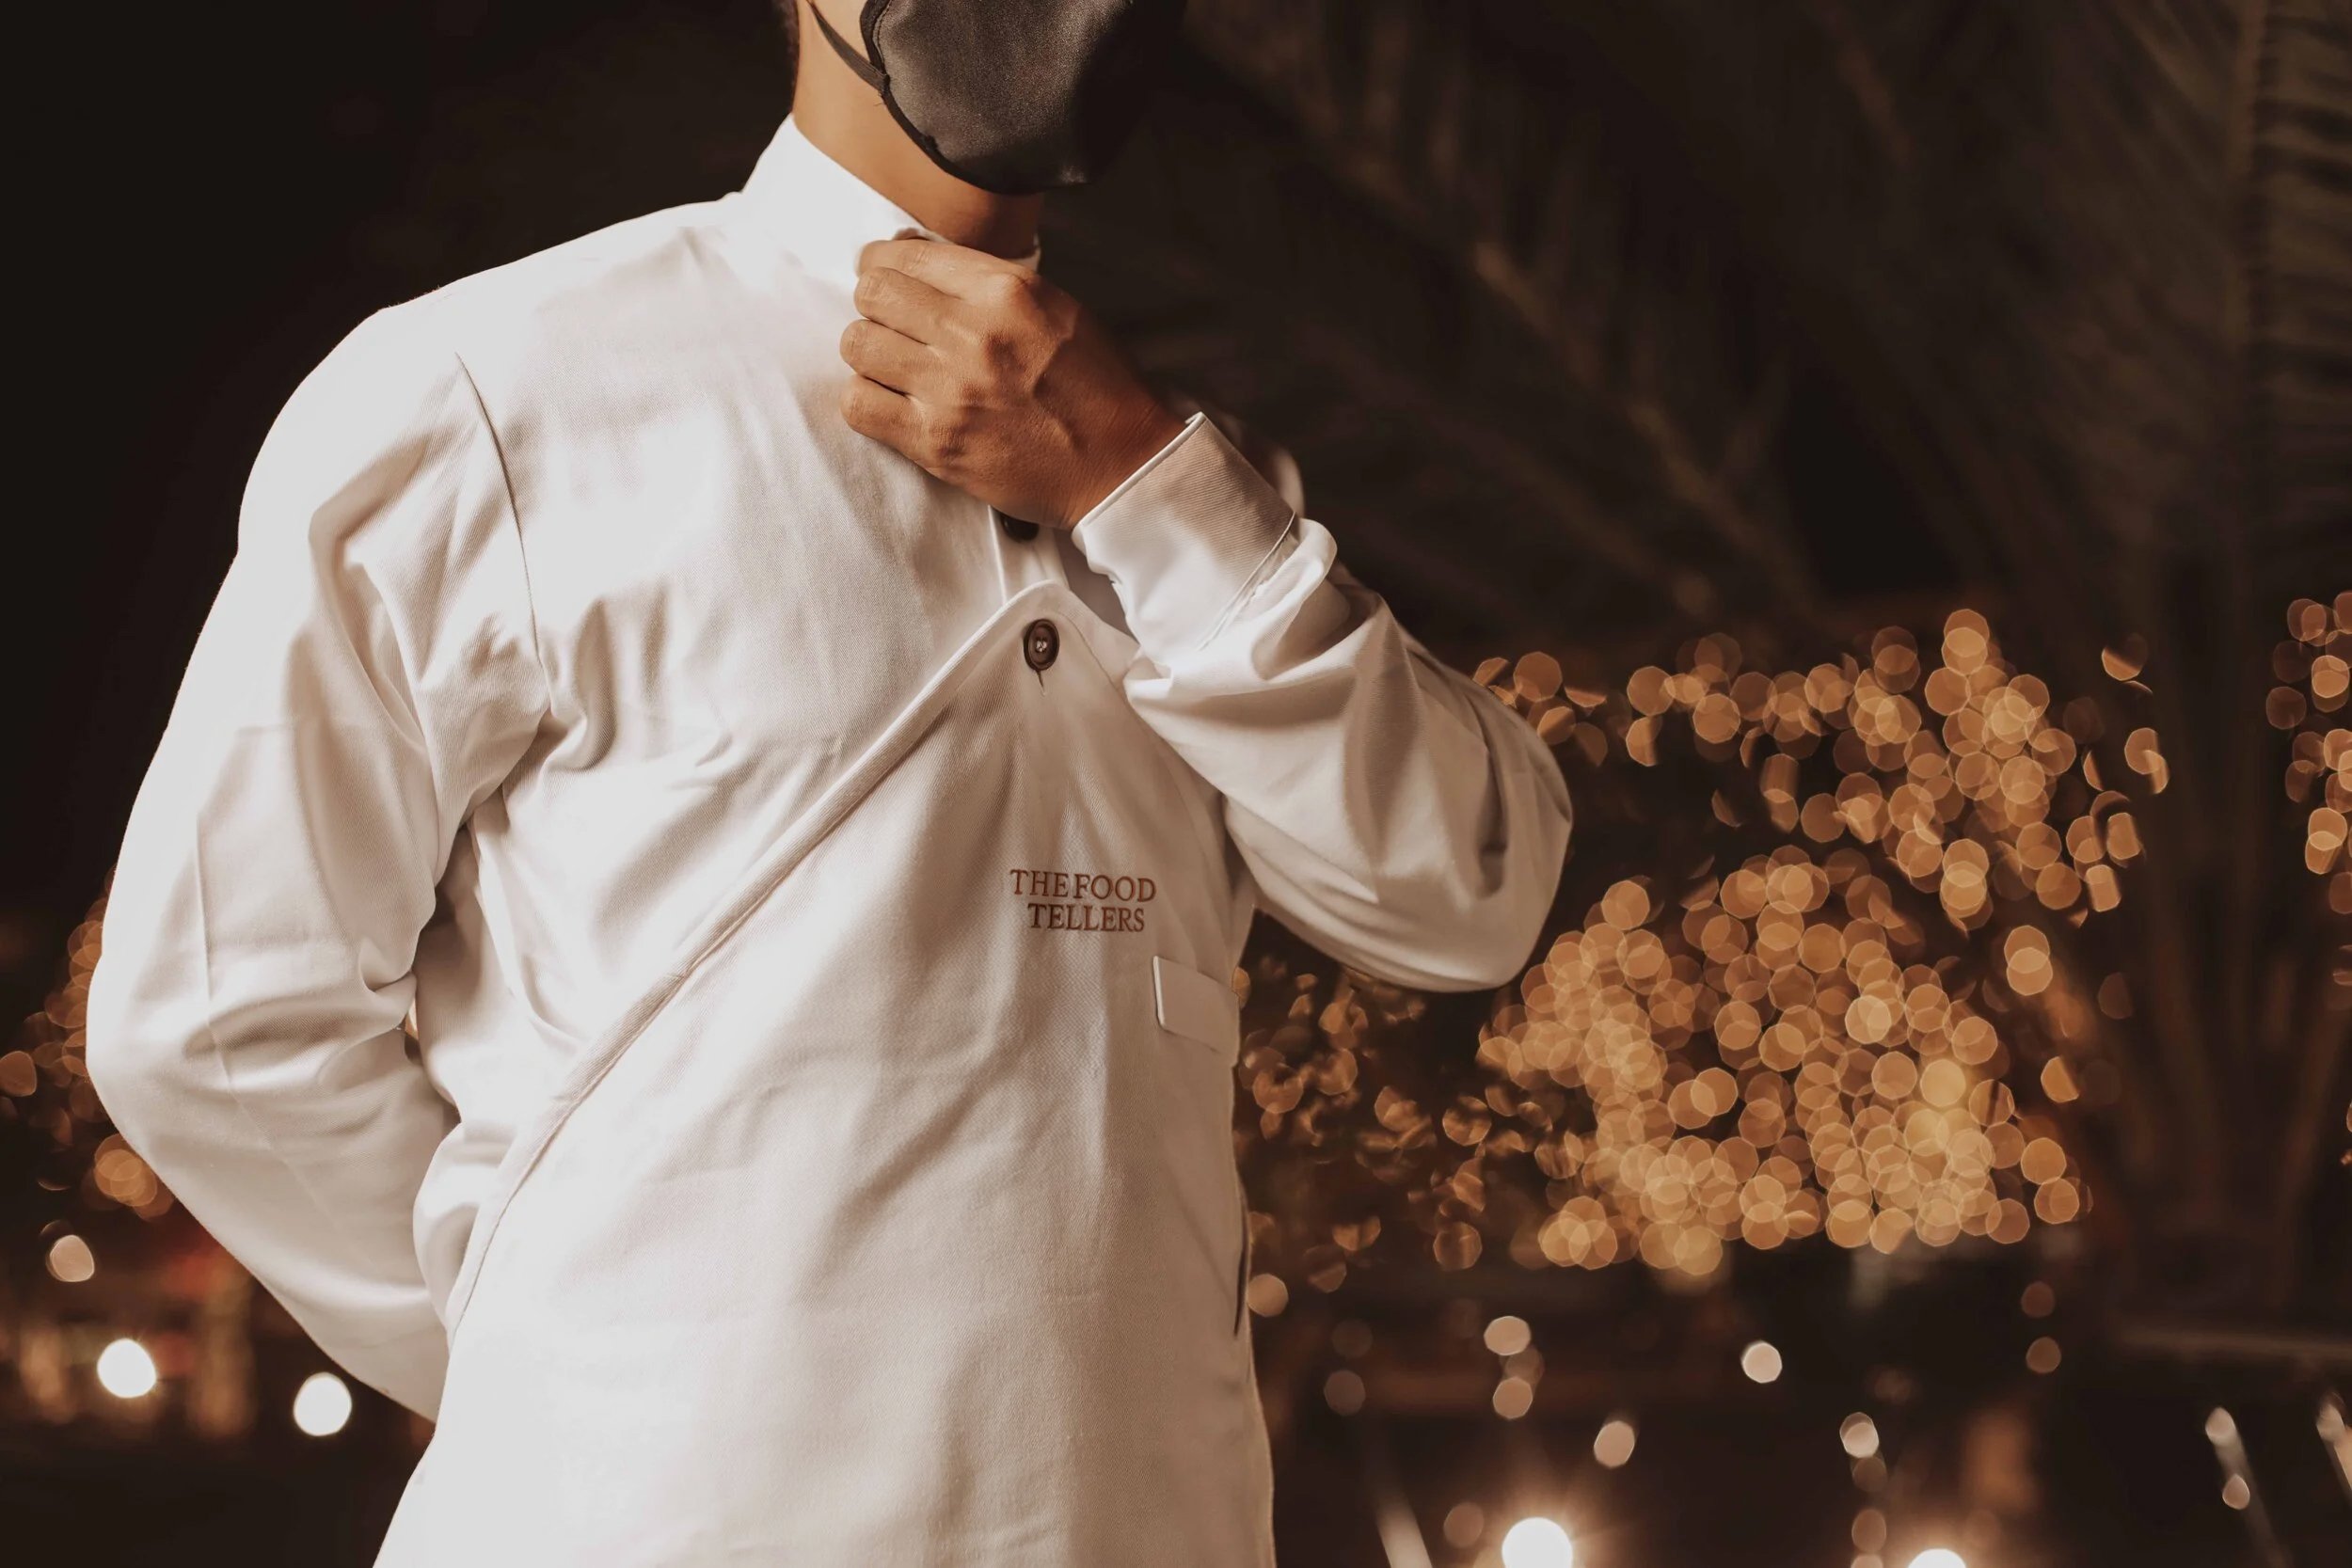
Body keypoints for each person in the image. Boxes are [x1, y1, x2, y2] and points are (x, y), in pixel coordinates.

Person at [84, 2, 1572, 1561]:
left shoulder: (1198, 493)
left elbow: (1470, 895)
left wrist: (1142, 482)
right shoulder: (489, 396)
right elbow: (213, 1017)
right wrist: (578, 1376)